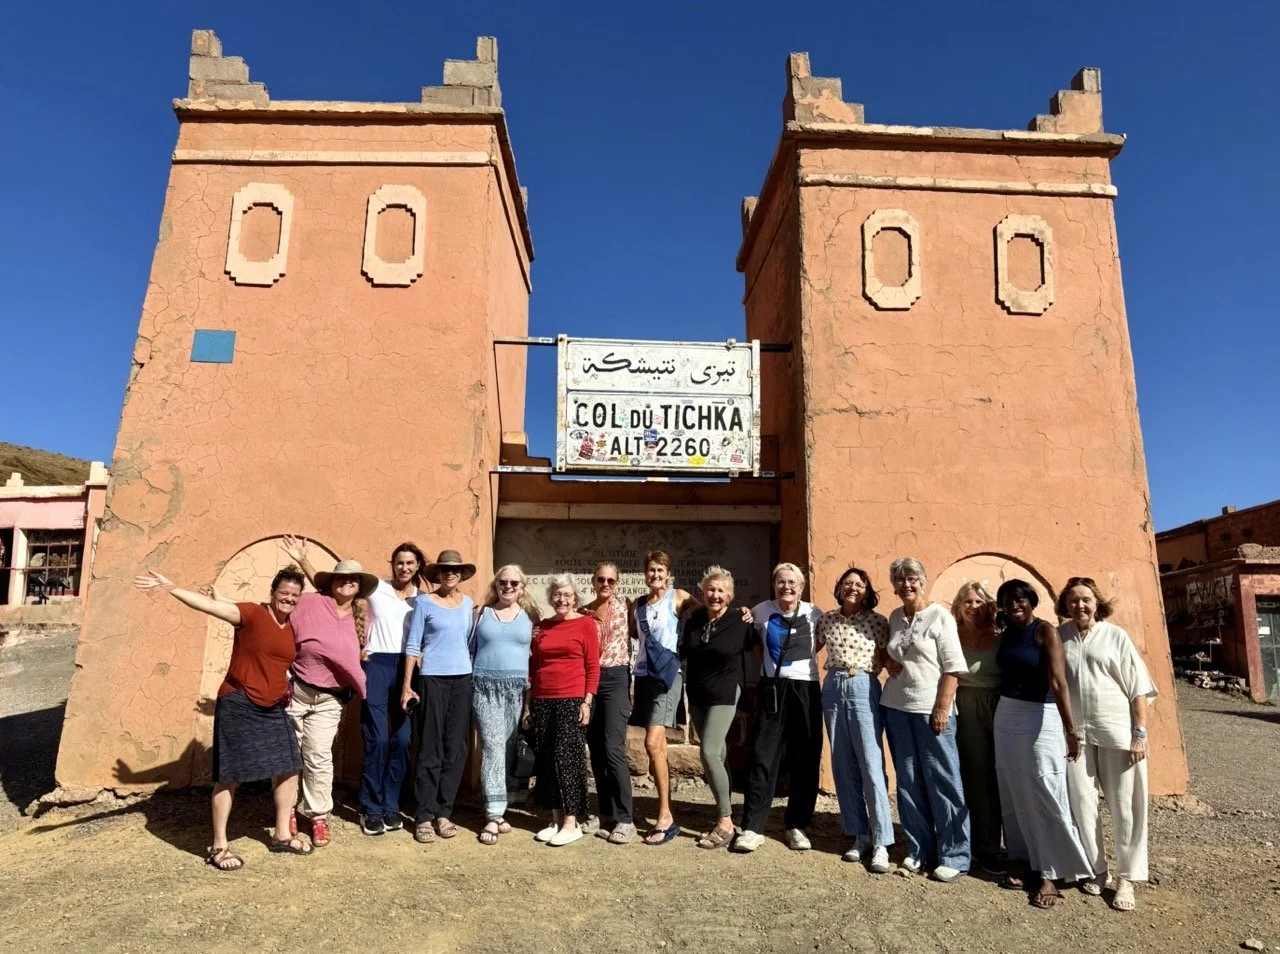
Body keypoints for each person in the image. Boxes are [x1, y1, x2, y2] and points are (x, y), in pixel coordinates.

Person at [134, 566, 313, 869]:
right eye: (284, 593)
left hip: (273, 708)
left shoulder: (291, 625)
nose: (289, 599)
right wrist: (172, 588)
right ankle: (219, 847)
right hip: (239, 701)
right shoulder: (253, 613)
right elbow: (215, 608)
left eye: (295, 595)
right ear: (273, 593)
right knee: (229, 776)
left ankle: (282, 835)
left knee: (289, 766)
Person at [282, 536, 425, 836]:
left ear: (418, 566)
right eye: (399, 562)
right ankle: (370, 808)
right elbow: (334, 590)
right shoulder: (376, 590)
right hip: (377, 666)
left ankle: (390, 805)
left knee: (402, 741)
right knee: (378, 739)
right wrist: (303, 560)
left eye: (410, 563)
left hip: (408, 669)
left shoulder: (423, 599)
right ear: (392, 564)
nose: (404, 567)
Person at [1058, 576, 1158, 912]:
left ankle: (1127, 877)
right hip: (1076, 736)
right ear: (1065, 605)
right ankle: (1097, 869)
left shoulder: (1115, 637)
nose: (1080, 605)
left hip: (1117, 733)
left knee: (1124, 807)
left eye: (1086, 599)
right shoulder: (1061, 638)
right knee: (1083, 805)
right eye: (1073, 600)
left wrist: (1139, 733)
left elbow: (1138, 687)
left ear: (1097, 602)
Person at [993, 578, 1093, 908]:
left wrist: (1070, 730)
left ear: (1032, 601)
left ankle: (1052, 871)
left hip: (1043, 714)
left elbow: (1058, 681)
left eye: (1020, 599)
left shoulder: (1045, 630)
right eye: (1008, 600)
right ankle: (1022, 858)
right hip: (1007, 714)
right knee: (1012, 787)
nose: (1015, 604)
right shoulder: (1005, 631)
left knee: (1046, 788)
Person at [881, 557, 970, 882]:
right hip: (896, 707)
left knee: (943, 780)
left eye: (913, 578)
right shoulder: (894, 617)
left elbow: (953, 667)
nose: (907, 584)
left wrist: (942, 709)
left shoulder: (940, 617)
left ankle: (955, 855)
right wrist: (887, 664)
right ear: (894, 585)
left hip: (932, 711)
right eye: (901, 579)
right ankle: (919, 849)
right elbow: (890, 652)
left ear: (924, 580)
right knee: (908, 781)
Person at [731, 562, 824, 854]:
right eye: (781, 581)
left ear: (801, 587)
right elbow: (752, 637)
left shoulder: (814, 613)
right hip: (772, 688)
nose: (787, 587)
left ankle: (796, 824)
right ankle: (752, 827)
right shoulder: (762, 611)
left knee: (805, 756)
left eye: (792, 582)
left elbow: (819, 644)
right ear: (774, 585)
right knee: (763, 754)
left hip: (806, 688)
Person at [284, 557, 374, 847]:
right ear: (330, 583)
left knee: (318, 757)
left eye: (352, 579)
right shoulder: (310, 603)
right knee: (289, 755)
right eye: (340, 578)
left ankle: (318, 816)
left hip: (330, 698)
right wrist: (302, 558)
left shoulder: (362, 615)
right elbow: (281, 616)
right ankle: (286, 811)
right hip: (297, 690)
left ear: (359, 586)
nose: (346, 582)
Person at [816, 566, 893, 872]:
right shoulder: (827, 620)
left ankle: (881, 841)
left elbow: (888, 655)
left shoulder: (878, 621)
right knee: (843, 761)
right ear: (839, 588)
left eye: (859, 584)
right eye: (847, 583)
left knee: (871, 763)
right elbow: (809, 648)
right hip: (833, 685)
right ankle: (858, 834)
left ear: (867, 590)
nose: (852, 588)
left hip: (863, 683)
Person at [401, 549, 476, 844]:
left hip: (462, 679)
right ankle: (424, 815)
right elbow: (412, 645)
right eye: (444, 570)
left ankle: (444, 811)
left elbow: (467, 642)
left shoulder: (468, 604)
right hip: (432, 679)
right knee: (431, 748)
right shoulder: (424, 603)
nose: (449, 574)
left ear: (461, 575)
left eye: (454, 570)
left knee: (456, 749)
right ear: (438, 574)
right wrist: (408, 685)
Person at [525, 574, 600, 846]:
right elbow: (534, 667)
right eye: (557, 594)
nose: (562, 599)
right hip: (543, 698)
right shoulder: (543, 627)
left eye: (567, 595)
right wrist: (529, 704)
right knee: (546, 758)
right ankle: (556, 820)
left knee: (567, 758)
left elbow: (592, 666)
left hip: (571, 698)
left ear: (575, 598)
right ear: (551, 597)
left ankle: (572, 822)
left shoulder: (585, 624)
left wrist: (587, 701)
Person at [681, 566, 753, 850]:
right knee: (717, 754)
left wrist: (751, 612)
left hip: (725, 692)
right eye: (711, 589)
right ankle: (723, 810)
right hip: (697, 693)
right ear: (703, 592)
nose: (715, 595)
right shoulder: (695, 618)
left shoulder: (741, 619)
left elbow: (757, 644)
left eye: (721, 591)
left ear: (731, 596)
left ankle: (725, 821)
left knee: (708, 751)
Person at [631, 549, 698, 846]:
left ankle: (666, 815)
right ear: (645, 574)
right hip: (644, 675)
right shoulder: (639, 605)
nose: (655, 575)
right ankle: (664, 810)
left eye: (660, 570)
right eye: (651, 570)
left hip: (667, 677)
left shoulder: (678, 597)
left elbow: (709, 611)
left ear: (668, 574)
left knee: (652, 742)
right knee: (654, 745)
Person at [471, 565, 537, 846]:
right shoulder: (481, 614)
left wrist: (529, 703)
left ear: (522, 587)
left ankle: (500, 809)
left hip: (516, 691)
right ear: (496, 585)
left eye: (514, 583)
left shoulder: (530, 618)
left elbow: (536, 661)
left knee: (508, 748)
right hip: (485, 687)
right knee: (493, 744)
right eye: (503, 582)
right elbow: (468, 647)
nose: (508, 586)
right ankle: (492, 812)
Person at [583, 562, 638, 845]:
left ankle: (626, 819)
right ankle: (606, 814)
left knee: (613, 747)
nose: (606, 584)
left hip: (616, 677)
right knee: (595, 748)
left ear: (618, 583)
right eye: (601, 579)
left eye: (611, 580)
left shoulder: (627, 606)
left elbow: (661, 614)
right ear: (593, 581)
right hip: (590, 679)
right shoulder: (584, 612)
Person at [951, 580, 1004, 873]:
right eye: (968, 601)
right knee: (976, 777)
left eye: (979, 602)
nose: (973, 607)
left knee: (1005, 775)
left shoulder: (999, 634)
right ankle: (984, 847)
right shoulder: (952, 635)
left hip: (1002, 705)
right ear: (959, 606)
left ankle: (1018, 846)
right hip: (967, 706)